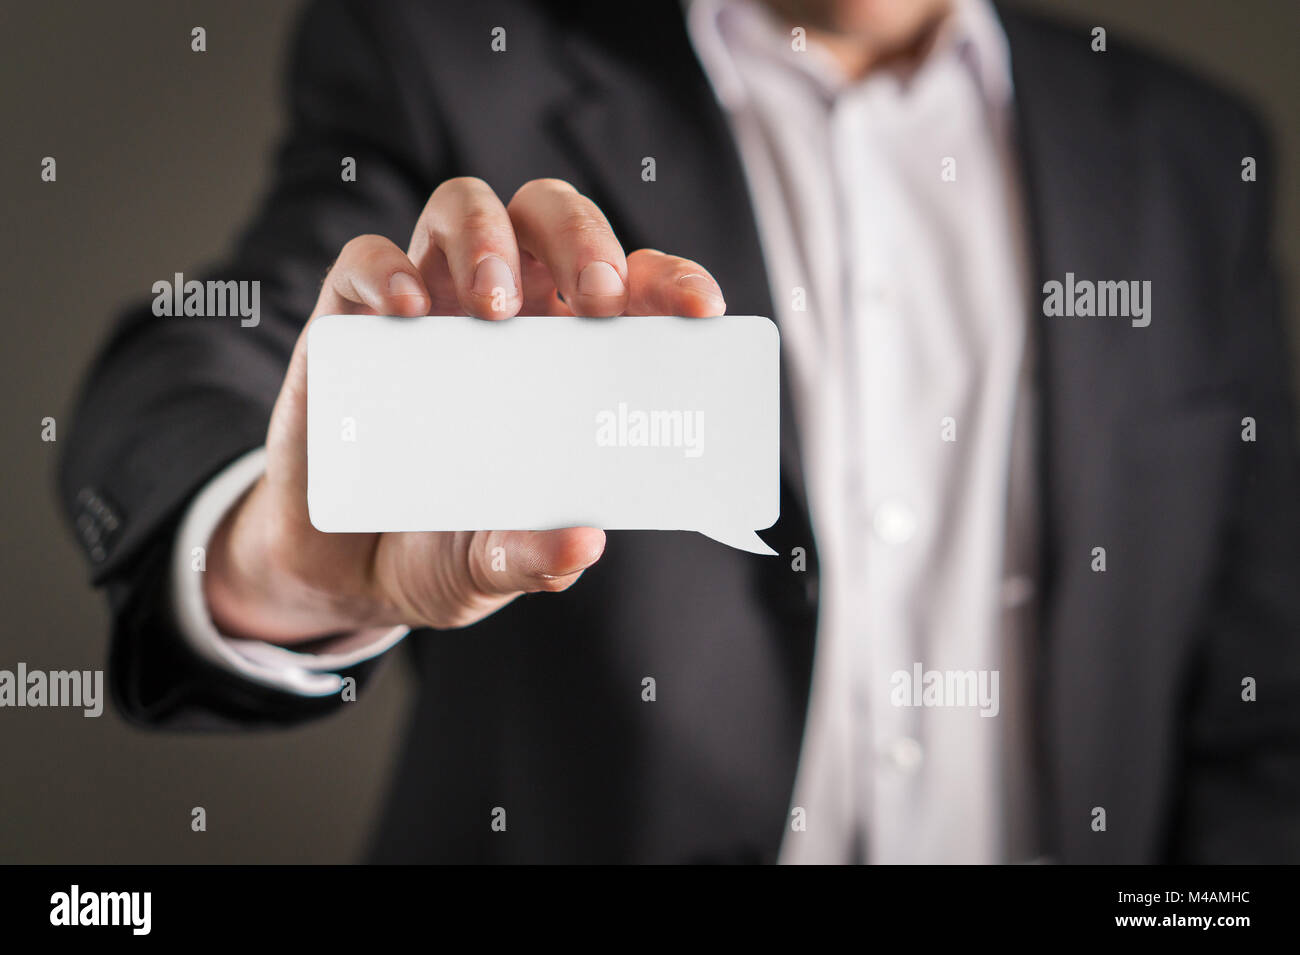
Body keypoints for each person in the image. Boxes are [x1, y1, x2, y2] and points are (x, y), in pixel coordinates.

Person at [59, 0, 1300, 863]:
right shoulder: (448, 55)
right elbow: (207, 356)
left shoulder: (1188, 153)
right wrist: (275, 550)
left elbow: (1264, 694)